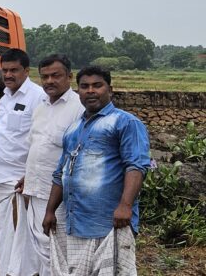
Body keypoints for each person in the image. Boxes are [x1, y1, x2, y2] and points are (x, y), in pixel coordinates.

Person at [42, 66, 150, 276]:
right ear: (78, 91)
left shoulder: (125, 122)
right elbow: (60, 173)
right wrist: (50, 211)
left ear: (110, 89)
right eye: (84, 86)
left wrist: (125, 206)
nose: (90, 91)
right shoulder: (74, 128)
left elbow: (136, 166)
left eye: (97, 85)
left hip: (110, 221)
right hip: (75, 221)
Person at [13, 55, 84, 276]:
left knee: (59, 248)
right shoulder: (41, 106)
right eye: (45, 76)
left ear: (69, 77)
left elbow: (78, 154)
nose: (49, 81)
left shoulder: (79, 108)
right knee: (41, 246)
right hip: (35, 189)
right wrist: (27, 177)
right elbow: (37, 147)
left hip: (60, 195)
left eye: (56, 75)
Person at [0, 48, 46, 276]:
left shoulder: (38, 97)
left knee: (24, 239)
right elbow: (0, 141)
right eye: (4, 70)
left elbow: (41, 140)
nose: (8, 75)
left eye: (14, 70)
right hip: (2, 179)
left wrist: (30, 175)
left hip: (22, 181)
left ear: (26, 71)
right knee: (6, 235)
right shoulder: (4, 99)